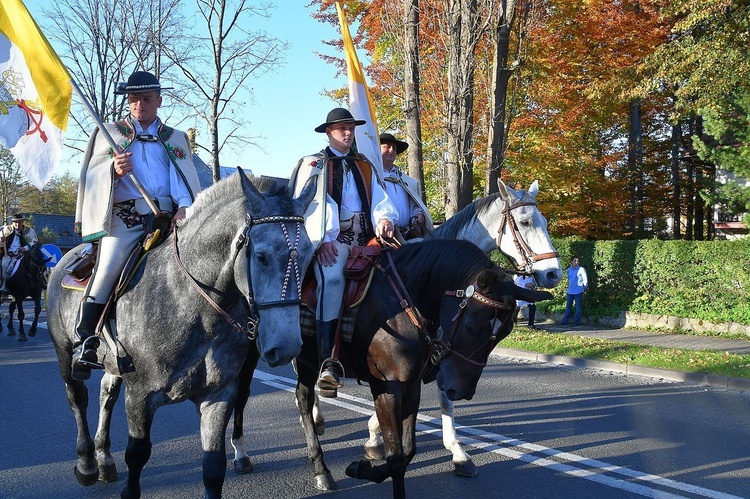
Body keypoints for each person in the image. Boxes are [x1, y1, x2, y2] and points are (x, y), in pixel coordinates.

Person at [72, 70, 201, 380]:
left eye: (146, 98)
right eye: (133, 99)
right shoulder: (110, 134)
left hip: (169, 218)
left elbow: (182, 176)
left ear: (158, 100)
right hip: (126, 217)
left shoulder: (176, 138)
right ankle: (85, 339)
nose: (139, 104)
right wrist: (113, 171)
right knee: (109, 267)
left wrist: (185, 206)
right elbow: (90, 178)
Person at [289, 108, 398, 396]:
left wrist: (385, 218)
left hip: (367, 237)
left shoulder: (364, 164)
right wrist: (321, 239)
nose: (348, 133)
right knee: (333, 279)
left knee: (405, 268)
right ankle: (328, 360)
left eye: (350, 127)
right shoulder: (313, 164)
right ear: (328, 132)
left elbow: (380, 200)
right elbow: (306, 205)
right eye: (341, 128)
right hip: (332, 240)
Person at [379, 132, 433, 239]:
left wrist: (418, 214)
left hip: (408, 234)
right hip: (383, 235)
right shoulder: (372, 176)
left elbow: (414, 204)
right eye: (387, 147)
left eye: (394, 148)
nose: (392, 150)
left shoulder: (404, 179)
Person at [0, 214, 38, 293]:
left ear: (23, 222)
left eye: (20, 222)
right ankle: (4, 284)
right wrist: (2, 241)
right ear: (12, 222)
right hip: (9, 255)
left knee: (36, 265)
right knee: (4, 265)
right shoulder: (5, 230)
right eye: (15, 222)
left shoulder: (29, 231)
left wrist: (25, 248)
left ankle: (39, 283)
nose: (18, 224)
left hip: (23, 255)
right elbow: (1, 244)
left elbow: (34, 242)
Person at [560, 256, 588, 326]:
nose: (576, 262)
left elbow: (585, 280)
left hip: (578, 291)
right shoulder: (569, 270)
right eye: (575, 261)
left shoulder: (581, 269)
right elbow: (569, 279)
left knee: (578, 307)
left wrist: (583, 288)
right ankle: (565, 321)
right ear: (572, 261)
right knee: (568, 307)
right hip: (570, 291)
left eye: (577, 261)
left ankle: (576, 322)